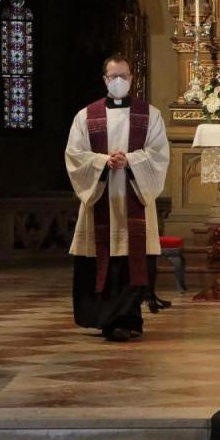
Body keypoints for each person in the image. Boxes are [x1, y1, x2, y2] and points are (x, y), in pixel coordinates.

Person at [65, 54, 170, 342]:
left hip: (133, 194)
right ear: (105, 80)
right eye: (114, 77)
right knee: (102, 260)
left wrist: (131, 161)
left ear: (132, 79)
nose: (119, 81)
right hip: (101, 196)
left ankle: (127, 319)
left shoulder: (150, 115)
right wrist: (102, 162)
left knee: (131, 260)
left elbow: (159, 154)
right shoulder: (86, 116)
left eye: (124, 76)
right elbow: (74, 155)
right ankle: (105, 318)